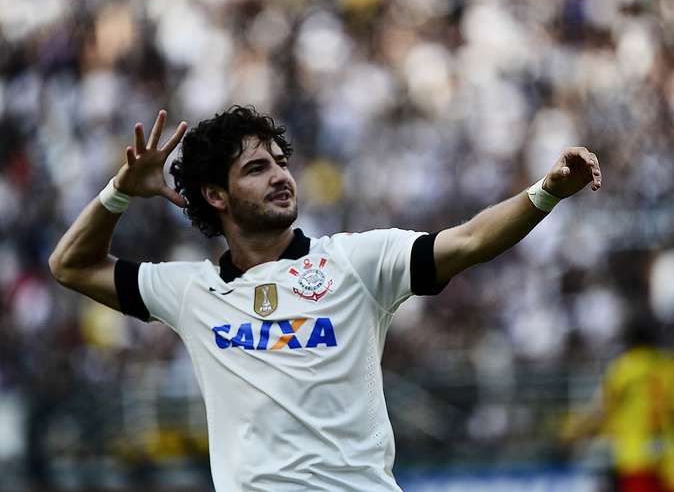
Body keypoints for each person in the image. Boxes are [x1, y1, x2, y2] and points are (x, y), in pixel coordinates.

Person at [48, 105, 602, 491]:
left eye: (282, 163)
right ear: (215, 195)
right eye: (256, 169)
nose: (280, 177)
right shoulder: (190, 291)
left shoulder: (355, 263)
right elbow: (69, 264)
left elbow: (472, 240)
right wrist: (119, 191)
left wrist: (546, 190)